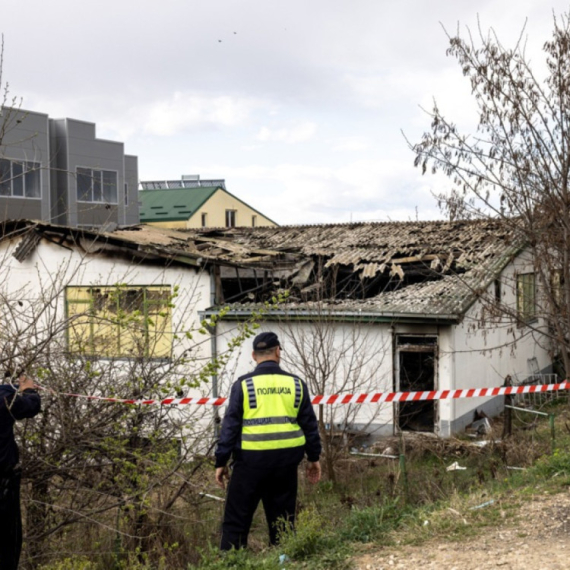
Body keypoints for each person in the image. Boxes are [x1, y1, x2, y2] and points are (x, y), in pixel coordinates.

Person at [215, 332, 321, 550]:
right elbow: (309, 425)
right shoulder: (297, 384)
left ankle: (232, 563)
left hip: (249, 464)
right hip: (285, 464)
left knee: (237, 521)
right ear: (278, 352)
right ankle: (283, 562)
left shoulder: (244, 385)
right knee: (283, 522)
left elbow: (231, 426)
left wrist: (221, 461)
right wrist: (313, 457)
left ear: (254, 355)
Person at [0, 372, 41, 570]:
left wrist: (17, 388)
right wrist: (29, 390)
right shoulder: (4, 400)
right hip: (4, 482)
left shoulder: (4, 395)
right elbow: (30, 406)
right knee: (7, 541)